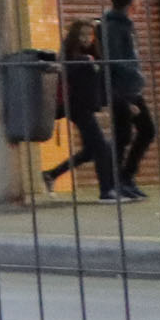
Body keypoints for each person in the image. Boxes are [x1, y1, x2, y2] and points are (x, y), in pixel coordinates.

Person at [52, 18, 121, 202]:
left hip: (86, 107)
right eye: (82, 34)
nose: (86, 38)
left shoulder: (93, 53)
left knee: (90, 151)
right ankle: (107, 191)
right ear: (74, 36)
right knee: (102, 147)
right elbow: (66, 70)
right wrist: (85, 61)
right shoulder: (71, 54)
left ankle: (51, 175)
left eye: (89, 34)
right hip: (76, 106)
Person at [103, 0, 155, 203]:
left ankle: (124, 178)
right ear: (130, 2)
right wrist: (127, 92)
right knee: (133, 133)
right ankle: (118, 180)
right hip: (122, 89)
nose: (140, 2)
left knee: (136, 132)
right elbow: (114, 60)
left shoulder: (124, 24)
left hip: (130, 87)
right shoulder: (114, 27)